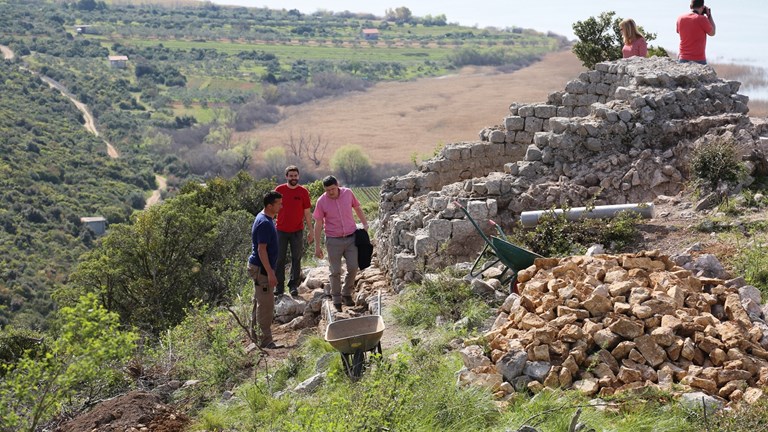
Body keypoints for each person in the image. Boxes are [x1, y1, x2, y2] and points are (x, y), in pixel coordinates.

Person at [313, 175, 368, 312]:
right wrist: (317, 246)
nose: (330, 192)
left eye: (332, 189)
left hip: (351, 238)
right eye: (327, 190)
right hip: (333, 240)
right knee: (335, 271)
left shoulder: (348, 193)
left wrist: (365, 224)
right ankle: (337, 300)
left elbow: (357, 207)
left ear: (337, 185)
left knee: (354, 267)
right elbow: (318, 224)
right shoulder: (322, 201)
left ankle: (347, 293)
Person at [247, 191, 282, 349]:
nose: (281, 206)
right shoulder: (265, 223)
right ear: (270, 206)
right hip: (261, 268)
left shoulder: (264, 218)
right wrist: (270, 272)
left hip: (260, 267)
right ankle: (265, 341)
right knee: (266, 305)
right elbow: (262, 250)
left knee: (259, 302)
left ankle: (255, 338)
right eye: (279, 204)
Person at [274, 166, 313, 298]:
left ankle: (293, 286)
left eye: (295, 176)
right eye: (291, 176)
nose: (293, 178)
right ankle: (279, 287)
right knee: (279, 259)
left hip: (297, 230)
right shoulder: (279, 190)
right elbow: (272, 209)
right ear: (286, 177)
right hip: (280, 231)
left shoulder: (303, 192)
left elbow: (307, 212)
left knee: (296, 258)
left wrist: (311, 230)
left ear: (298, 176)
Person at [676, 0, 716, 65]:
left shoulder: (680, 18)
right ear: (703, 8)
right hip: (699, 60)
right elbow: (713, 33)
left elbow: (678, 31)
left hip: (683, 58)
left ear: (690, 6)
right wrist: (709, 15)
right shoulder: (702, 19)